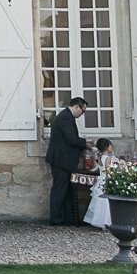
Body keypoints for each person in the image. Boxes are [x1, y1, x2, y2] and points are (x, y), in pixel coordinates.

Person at [45, 96, 90, 226]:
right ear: (76, 106)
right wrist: (85, 142)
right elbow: (71, 139)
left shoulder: (66, 116)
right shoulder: (65, 117)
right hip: (61, 160)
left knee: (67, 189)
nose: (82, 114)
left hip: (64, 159)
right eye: (82, 111)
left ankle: (68, 218)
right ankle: (56, 218)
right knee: (60, 189)